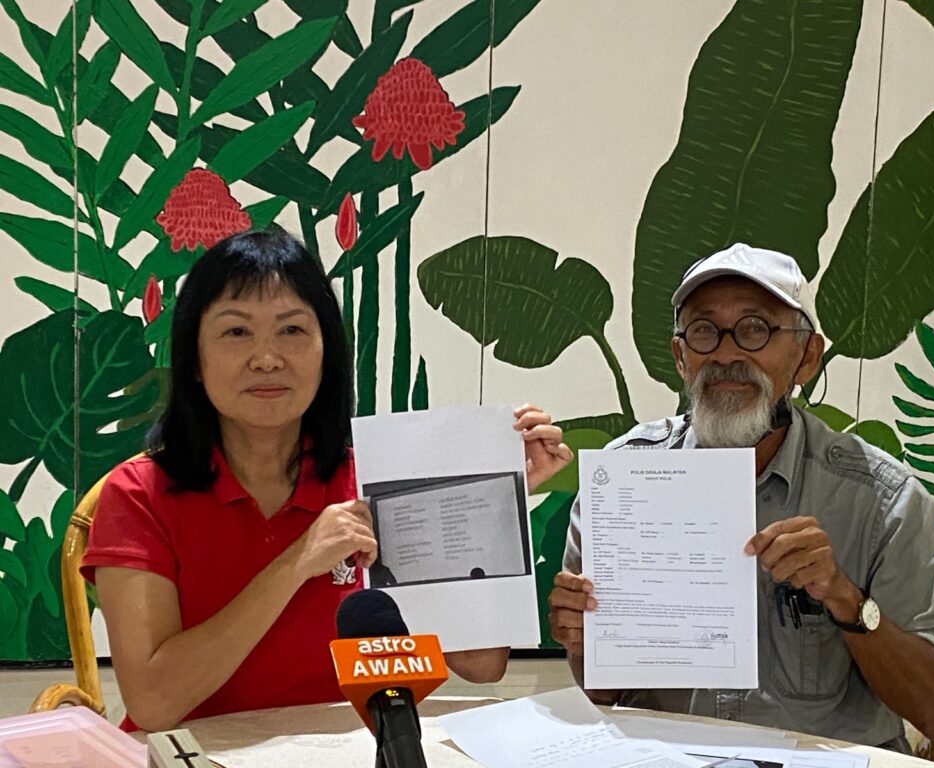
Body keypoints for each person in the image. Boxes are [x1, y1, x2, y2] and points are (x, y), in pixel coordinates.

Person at [81, 227, 572, 732]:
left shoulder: (377, 483)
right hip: (194, 757)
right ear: (195, 361)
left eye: (292, 330)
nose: (267, 358)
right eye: (236, 332)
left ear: (326, 353)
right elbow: (154, 705)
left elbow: (480, 665)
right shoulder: (138, 495)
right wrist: (297, 562)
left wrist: (493, 503)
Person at [548, 242, 934, 752]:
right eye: (704, 330)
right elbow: (601, 694)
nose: (726, 354)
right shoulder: (622, 483)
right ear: (681, 357)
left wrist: (844, 598)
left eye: (755, 328)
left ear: (807, 356)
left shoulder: (882, 501)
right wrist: (585, 640)